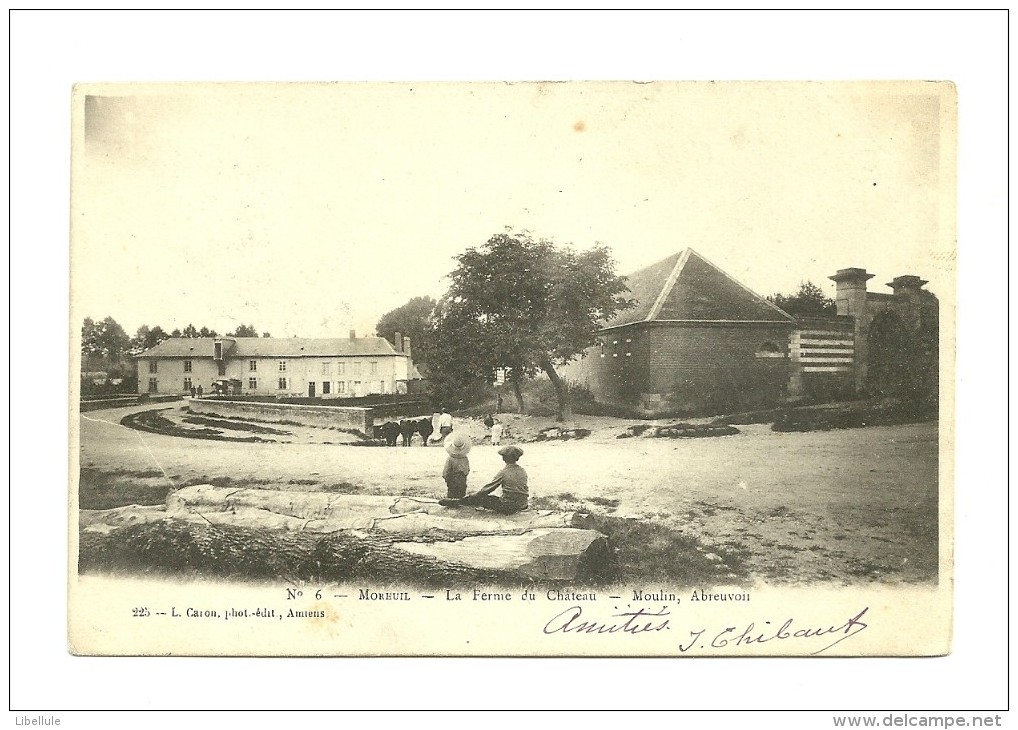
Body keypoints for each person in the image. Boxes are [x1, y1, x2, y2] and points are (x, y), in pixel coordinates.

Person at [440, 445, 528, 514]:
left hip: (509, 505)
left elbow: (488, 489)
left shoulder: (504, 472)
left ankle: (458, 502)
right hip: (523, 504)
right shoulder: (522, 470)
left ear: (504, 458)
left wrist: (474, 496)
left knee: (482, 498)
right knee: (493, 498)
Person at [441, 433, 472, 499]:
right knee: (461, 497)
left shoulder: (450, 459)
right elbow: (467, 470)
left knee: (451, 497)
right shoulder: (465, 458)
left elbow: (446, 472)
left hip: (452, 480)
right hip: (462, 480)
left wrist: (447, 479)